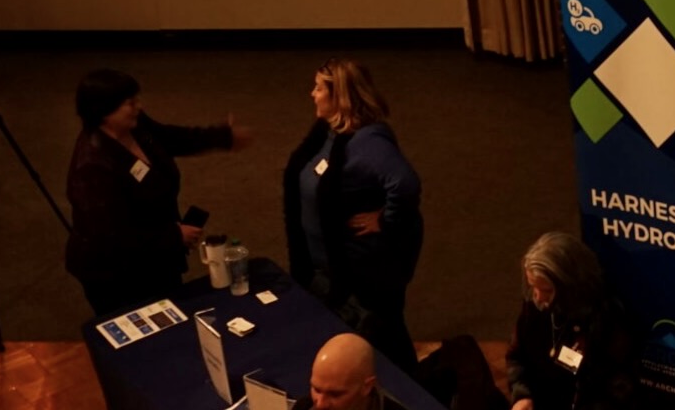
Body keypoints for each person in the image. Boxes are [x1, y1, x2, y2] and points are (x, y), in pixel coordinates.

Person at [64, 68, 250, 317]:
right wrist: (173, 236)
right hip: (119, 276)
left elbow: (169, 137)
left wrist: (220, 137)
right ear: (104, 111)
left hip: (154, 258)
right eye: (130, 103)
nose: (138, 106)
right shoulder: (93, 168)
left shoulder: (133, 126)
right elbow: (112, 239)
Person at [283, 59, 424, 376]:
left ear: (340, 96)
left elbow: (405, 184)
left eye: (319, 88)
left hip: (366, 276)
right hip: (331, 271)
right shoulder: (328, 134)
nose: (312, 94)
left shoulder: (368, 141)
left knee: (387, 347)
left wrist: (385, 220)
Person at [505, 231, 639, 410]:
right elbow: (516, 357)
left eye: (546, 290)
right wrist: (522, 395)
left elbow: (619, 389)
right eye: (533, 287)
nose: (537, 297)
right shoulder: (534, 309)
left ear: (569, 286)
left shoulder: (606, 320)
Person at [310, 332, 395, 410]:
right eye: (317, 390)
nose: (320, 404)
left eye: (335, 394)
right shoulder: (303, 406)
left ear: (367, 387)